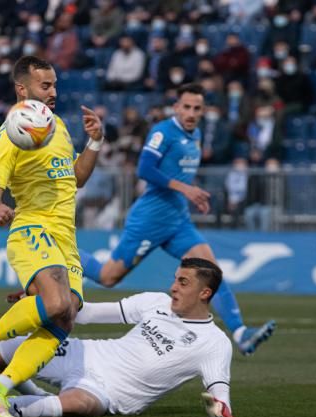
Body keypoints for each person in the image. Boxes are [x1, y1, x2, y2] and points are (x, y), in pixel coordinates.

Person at [0, 55, 104, 417]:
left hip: (66, 238)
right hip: (33, 227)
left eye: (55, 85)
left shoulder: (58, 126)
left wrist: (94, 143)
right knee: (54, 301)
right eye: (45, 85)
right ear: (22, 89)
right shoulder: (10, 134)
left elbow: (76, 178)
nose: (53, 92)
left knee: (65, 317)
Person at [79, 83, 276, 356]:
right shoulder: (163, 132)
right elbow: (145, 168)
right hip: (151, 217)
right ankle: (62, 253)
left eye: (197, 108)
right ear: (176, 107)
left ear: (203, 110)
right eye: (186, 107)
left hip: (178, 219)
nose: (191, 112)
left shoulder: (195, 136)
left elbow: (178, 172)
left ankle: (241, 333)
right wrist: (187, 190)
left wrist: (190, 194)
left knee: (210, 272)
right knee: (107, 276)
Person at [0, 258, 236, 417]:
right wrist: (46, 301)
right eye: (175, 279)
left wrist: (218, 408)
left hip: (109, 392)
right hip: (84, 355)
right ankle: (31, 392)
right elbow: (87, 313)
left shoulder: (214, 343)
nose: (173, 287)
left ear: (205, 293)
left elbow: (221, 395)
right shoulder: (155, 302)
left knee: (79, 404)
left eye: (183, 283)